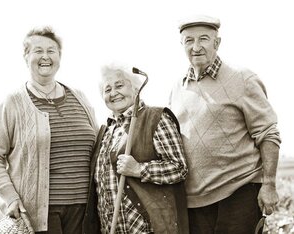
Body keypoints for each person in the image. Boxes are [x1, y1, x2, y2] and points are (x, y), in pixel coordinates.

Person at [0, 26, 98, 233]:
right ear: (26, 57)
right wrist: (10, 197)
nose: (46, 56)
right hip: (39, 214)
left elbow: (98, 147)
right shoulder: (13, 102)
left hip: (85, 211)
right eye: (38, 50)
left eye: (51, 50)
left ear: (60, 56)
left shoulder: (80, 97)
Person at [169, 15, 281, 233]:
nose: (196, 47)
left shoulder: (242, 78)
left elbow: (268, 133)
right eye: (189, 41)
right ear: (181, 45)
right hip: (195, 201)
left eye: (204, 39)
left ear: (217, 43)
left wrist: (269, 184)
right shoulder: (177, 88)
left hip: (239, 192)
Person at [83, 64, 189, 234]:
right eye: (107, 89)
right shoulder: (105, 131)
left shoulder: (156, 118)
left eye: (119, 85)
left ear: (135, 88)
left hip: (146, 228)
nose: (113, 93)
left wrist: (139, 169)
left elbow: (179, 168)